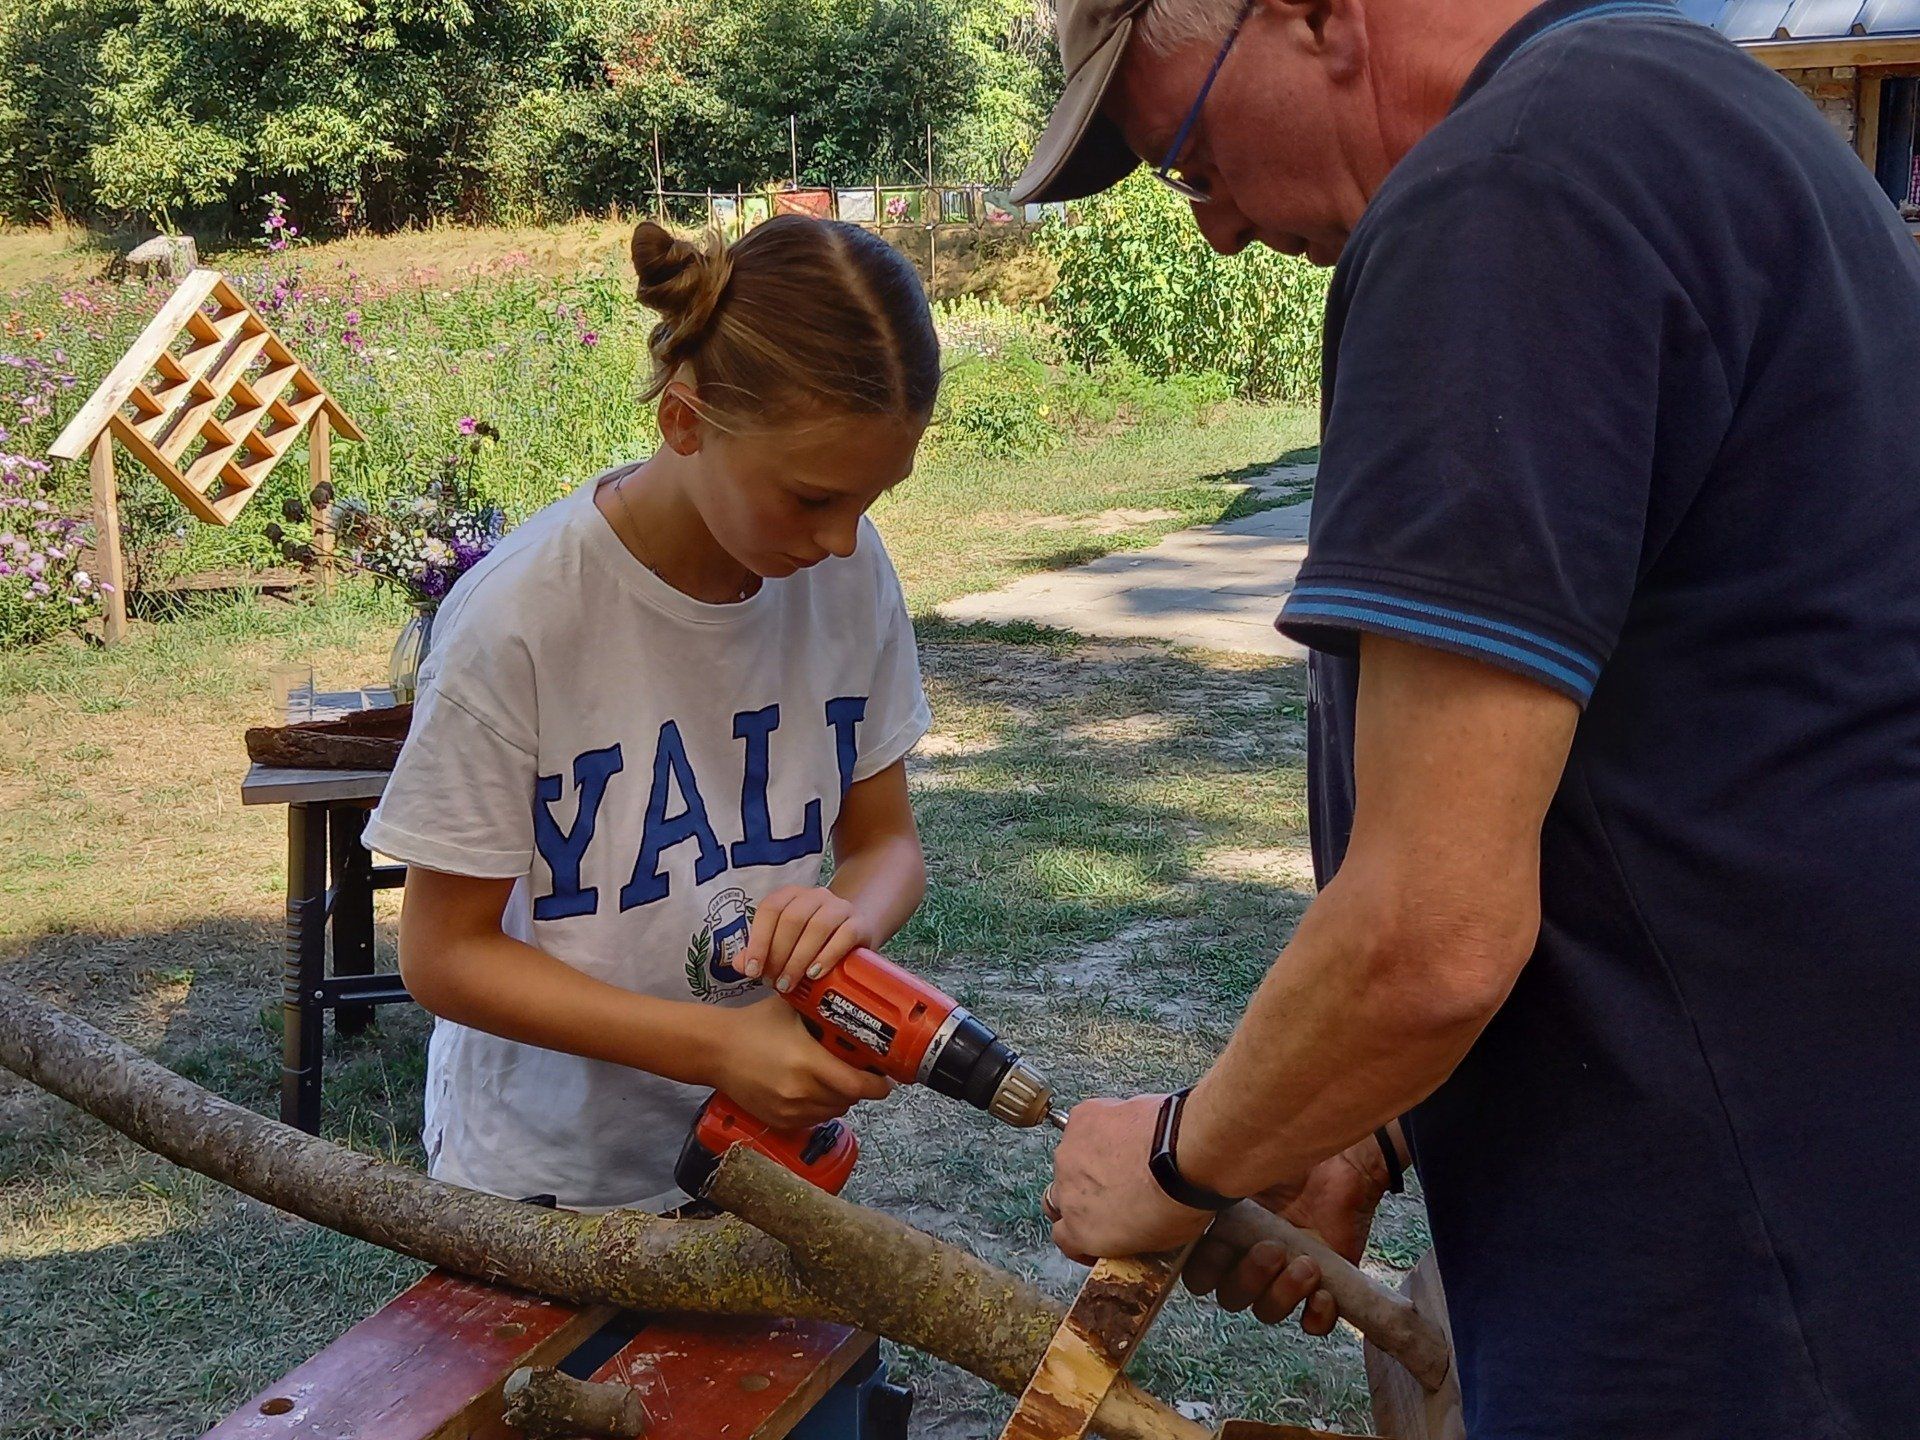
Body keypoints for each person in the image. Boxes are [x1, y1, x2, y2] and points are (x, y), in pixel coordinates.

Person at [1015, 1, 1920, 1435]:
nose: (1218, 231)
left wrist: (1180, 1158)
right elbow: (1715, 754)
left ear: (1312, 14)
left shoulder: (1503, 197)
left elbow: (1430, 936)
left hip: (1722, 1291)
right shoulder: (1698, 109)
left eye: (1188, 158)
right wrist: (1361, 1123)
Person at [361, 216, 939, 1214]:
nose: (844, 539)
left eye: (873, 497)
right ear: (684, 421)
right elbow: (445, 955)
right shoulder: (520, 619)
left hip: (768, 1155)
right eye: (811, 498)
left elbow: (887, 845)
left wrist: (849, 915)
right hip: (547, 1183)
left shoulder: (847, 576)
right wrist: (720, 1046)